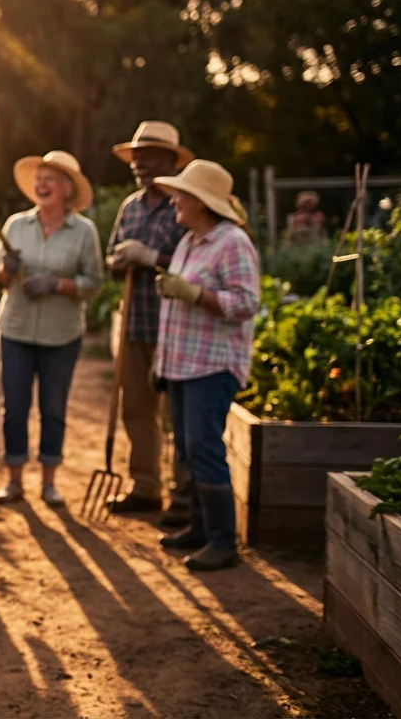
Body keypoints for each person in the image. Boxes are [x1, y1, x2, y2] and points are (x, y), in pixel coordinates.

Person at [151, 159, 260, 572]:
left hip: (212, 366)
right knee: (188, 449)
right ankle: (199, 529)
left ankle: (221, 539)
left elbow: (247, 303)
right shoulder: (189, 242)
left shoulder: (232, 242)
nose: (174, 199)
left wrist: (194, 294)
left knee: (204, 448)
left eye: (181, 194)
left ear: (201, 201)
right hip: (181, 364)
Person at [0, 151, 103, 507]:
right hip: (16, 329)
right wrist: (6, 270)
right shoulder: (15, 225)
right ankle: (14, 479)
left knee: (53, 408)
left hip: (61, 335)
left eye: (51, 178)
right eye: (40, 177)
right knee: (15, 407)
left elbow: (94, 282)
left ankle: (49, 481)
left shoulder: (83, 231)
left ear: (67, 188)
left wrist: (58, 285)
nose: (43, 184)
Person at [105, 121, 195, 524]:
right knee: (136, 410)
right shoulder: (130, 207)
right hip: (135, 324)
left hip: (174, 327)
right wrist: (120, 260)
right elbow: (110, 260)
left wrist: (152, 258)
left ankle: (184, 496)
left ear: (170, 162)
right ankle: (146, 487)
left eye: (148, 158)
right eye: (136, 158)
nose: (140, 165)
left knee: (177, 416)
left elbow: (196, 266)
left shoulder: (185, 205)